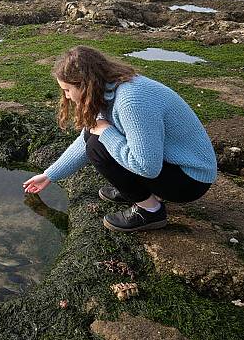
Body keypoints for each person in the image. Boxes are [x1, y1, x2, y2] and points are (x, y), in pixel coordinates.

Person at [22, 45, 217, 233]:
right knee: (94, 138)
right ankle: (134, 190)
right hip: (171, 165)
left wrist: (107, 132)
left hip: (190, 180)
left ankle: (150, 211)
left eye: (67, 90)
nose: (67, 96)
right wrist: (49, 175)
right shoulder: (106, 90)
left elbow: (148, 168)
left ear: (84, 84)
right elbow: (86, 138)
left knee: (98, 147)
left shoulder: (131, 101)